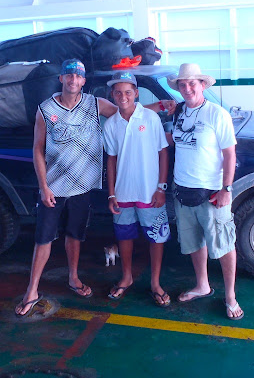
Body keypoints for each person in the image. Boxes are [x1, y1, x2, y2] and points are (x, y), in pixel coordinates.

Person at [16, 59, 175, 318]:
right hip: (54, 187)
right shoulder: (45, 109)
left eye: (78, 76)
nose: (73, 80)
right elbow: (37, 148)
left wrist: (158, 108)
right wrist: (43, 186)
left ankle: (74, 279)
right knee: (43, 238)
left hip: (83, 186)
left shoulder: (94, 104)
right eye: (69, 75)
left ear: (84, 81)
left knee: (75, 235)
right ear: (61, 78)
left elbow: (127, 111)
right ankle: (31, 291)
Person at [167, 63, 243, 320]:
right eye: (182, 84)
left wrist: (226, 189)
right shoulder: (178, 113)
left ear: (202, 85)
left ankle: (230, 296)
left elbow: (229, 154)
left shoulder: (217, 114)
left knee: (224, 244)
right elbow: (172, 140)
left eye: (192, 83)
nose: (187, 88)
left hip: (211, 192)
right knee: (193, 242)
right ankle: (202, 285)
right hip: (182, 190)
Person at [103, 71, 171, 307]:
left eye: (128, 92)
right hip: (123, 193)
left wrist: (161, 188)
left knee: (156, 237)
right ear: (112, 95)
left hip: (149, 192)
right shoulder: (111, 124)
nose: (123, 97)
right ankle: (126, 277)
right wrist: (112, 193)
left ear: (136, 93)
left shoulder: (150, 118)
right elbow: (111, 159)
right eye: (118, 93)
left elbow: (163, 152)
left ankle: (155, 283)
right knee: (124, 236)